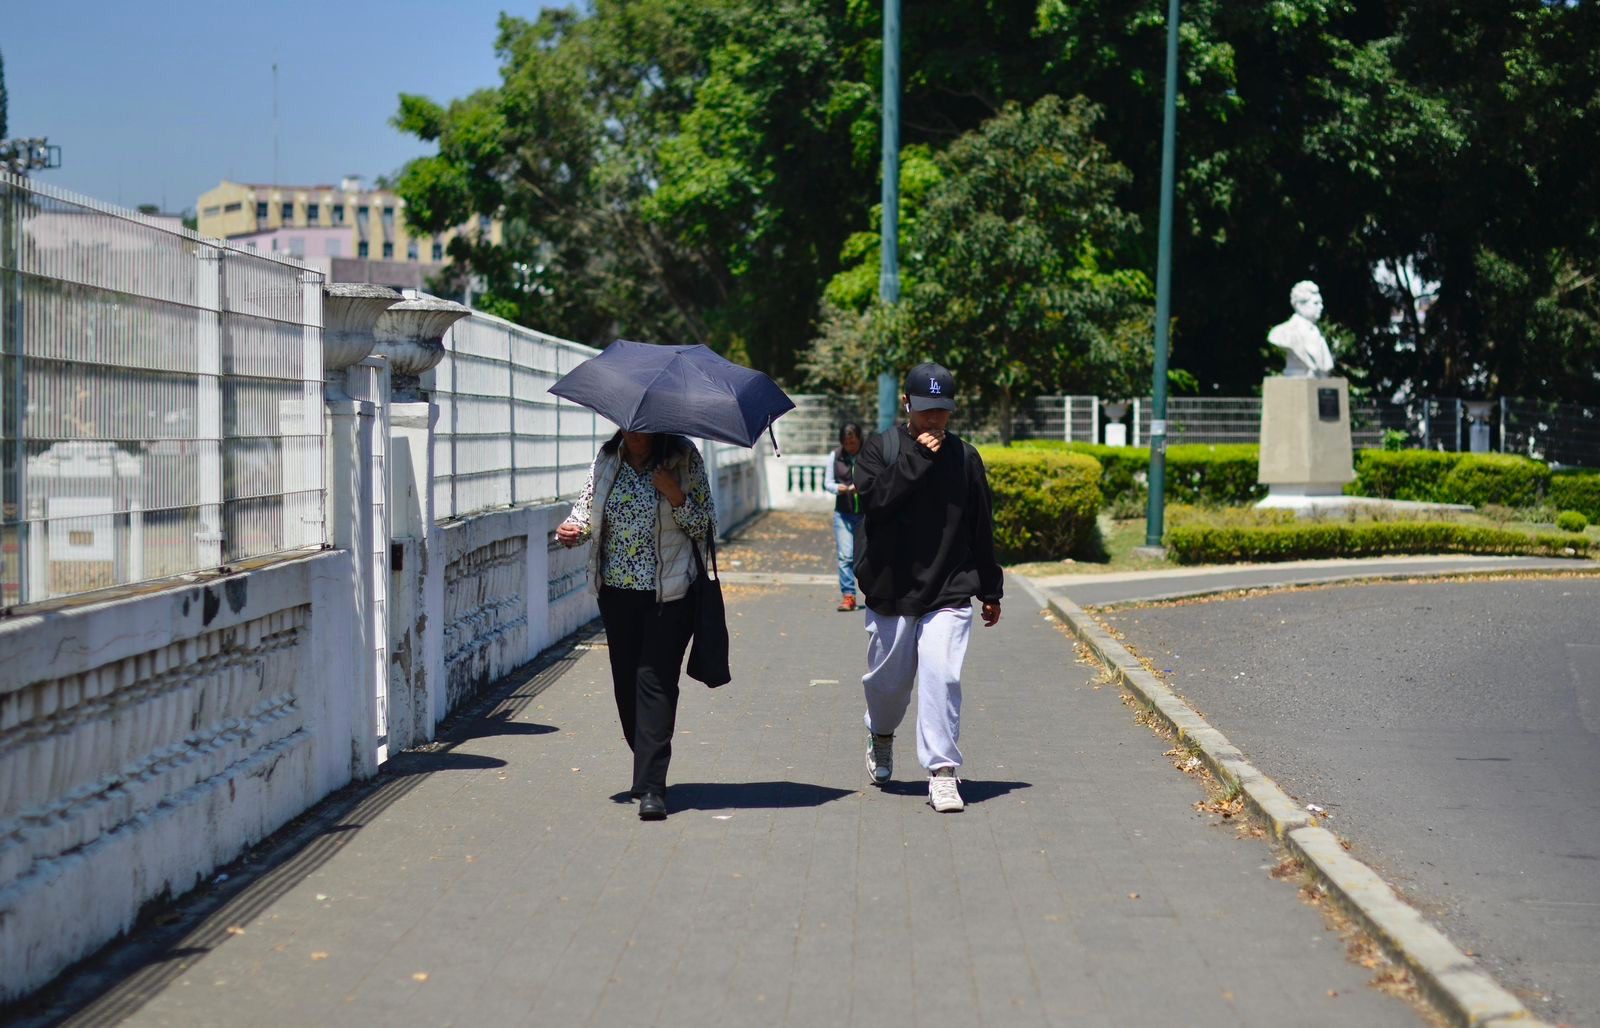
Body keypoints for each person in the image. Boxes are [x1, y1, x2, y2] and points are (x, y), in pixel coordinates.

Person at [852, 362, 1003, 813]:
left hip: (949, 589)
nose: (934, 420)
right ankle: (880, 734)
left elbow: (981, 526)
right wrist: (917, 457)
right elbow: (874, 502)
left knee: (942, 675)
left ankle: (941, 772)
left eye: (942, 411)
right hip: (891, 588)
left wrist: (990, 588)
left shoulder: (965, 457)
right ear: (907, 405)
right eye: (925, 410)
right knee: (889, 688)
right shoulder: (880, 448)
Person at [555, 430, 715, 821]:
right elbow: (586, 512)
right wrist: (571, 531)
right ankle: (646, 761)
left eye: (644, 428)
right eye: (630, 426)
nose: (636, 434)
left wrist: (675, 493)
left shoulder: (683, 457)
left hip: (670, 593)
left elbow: (706, 525)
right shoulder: (608, 457)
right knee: (626, 685)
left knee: (656, 683)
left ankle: (652, 787)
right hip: (617, 592)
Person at [822, 422, 865, 612]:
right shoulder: (835, 456)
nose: (851, 446)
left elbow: (880, 478)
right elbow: (828, 482)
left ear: (860, 439)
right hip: (844, 513)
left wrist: (863, 486)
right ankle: (849, 596)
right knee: (845, 556)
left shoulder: (869, 454)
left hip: (866, 513)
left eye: (853, 442)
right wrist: (837, 488)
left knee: (867, 556)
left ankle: (874, 593)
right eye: (847, 443)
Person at [1267, 280, 1335, 378]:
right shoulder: (1282, 333)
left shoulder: (1318, 333)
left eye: (1321, 303)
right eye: (1316, 303)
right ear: (1299, 305)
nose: (1321, 307)